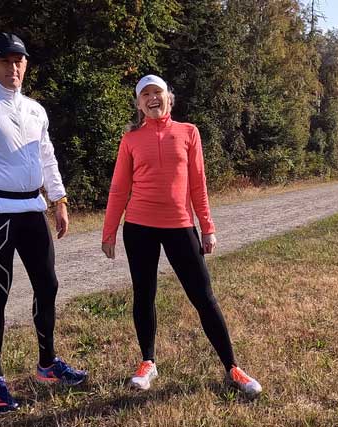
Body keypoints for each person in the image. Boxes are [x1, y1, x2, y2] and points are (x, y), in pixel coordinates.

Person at [0, 32, 87, 414]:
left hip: (32, 210)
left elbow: (47, 157)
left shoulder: (35, 110)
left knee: (49, 285)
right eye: (6, 61)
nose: (14, 68)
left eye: (20, 61)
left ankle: (47, 363)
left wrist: (58, 200)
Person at [101, 75, 262, 397]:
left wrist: (208, 227)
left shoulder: (188, 132)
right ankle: (148, 362)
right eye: (144, 94)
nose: (151, 98)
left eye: (157, 92)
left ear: (169, 98)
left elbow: (197, 184)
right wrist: (109, 232)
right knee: (143, 296)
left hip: (179, 226)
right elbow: (119, 187)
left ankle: (232, 367)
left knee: (203, 296)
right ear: (138, 104)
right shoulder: (130, 139)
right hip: (139, 227)